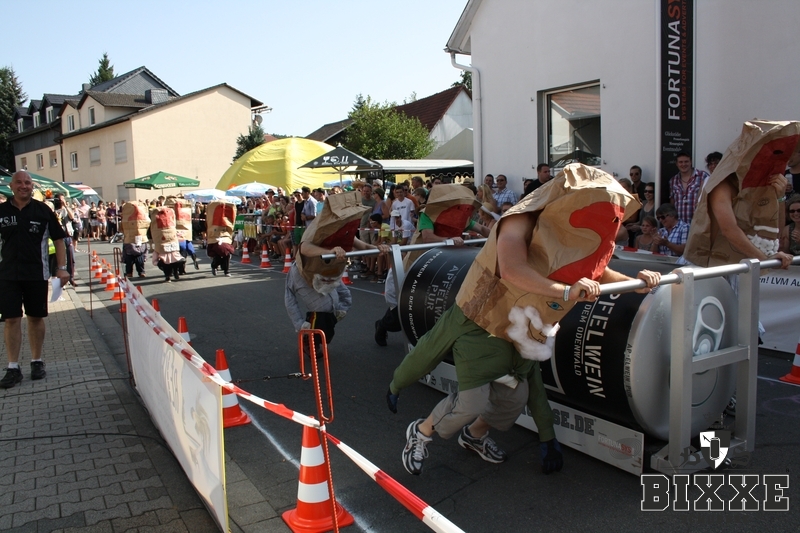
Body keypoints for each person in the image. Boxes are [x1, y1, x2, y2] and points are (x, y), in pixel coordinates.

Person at [387, 165, 660, 476]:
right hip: (480, 326)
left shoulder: (566, 232)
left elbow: (595, 269)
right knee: (471, 402)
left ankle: (474, 436)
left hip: (521, 332)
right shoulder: (519, 219)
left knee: (514, 398)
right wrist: (398, 383)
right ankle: (421, 432)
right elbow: (511, 269)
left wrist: (636, 283)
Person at [375, 184, 491, 347]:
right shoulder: (427, 214)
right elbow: (428, 237)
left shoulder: (462, 217)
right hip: (421, 265)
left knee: (437, 306)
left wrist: (500, 236)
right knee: (404, 311)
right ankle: (382, 325)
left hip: (443, 265)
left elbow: (482, 229)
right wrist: (449, 240)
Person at [0, 171, 70, 388]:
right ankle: (13, 367)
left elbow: (59, 240)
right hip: (7, 275)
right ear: (11, 186)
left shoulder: (43, 210)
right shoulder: (1, 211)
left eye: (27, 183)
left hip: (36, 274)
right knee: (11, 319)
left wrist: (62, 269)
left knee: (35, 317)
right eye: (19, 182)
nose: (24, 186)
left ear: (33, 186)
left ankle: (36, 361)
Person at [669, 151, 708, 224]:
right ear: (676, 164)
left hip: (699, 223)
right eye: (680, 162)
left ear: (691, 162)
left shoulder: (703, 176)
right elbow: (672, 202)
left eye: (686, 161)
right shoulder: (673, 180)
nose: (683, 164)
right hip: (680, 225)